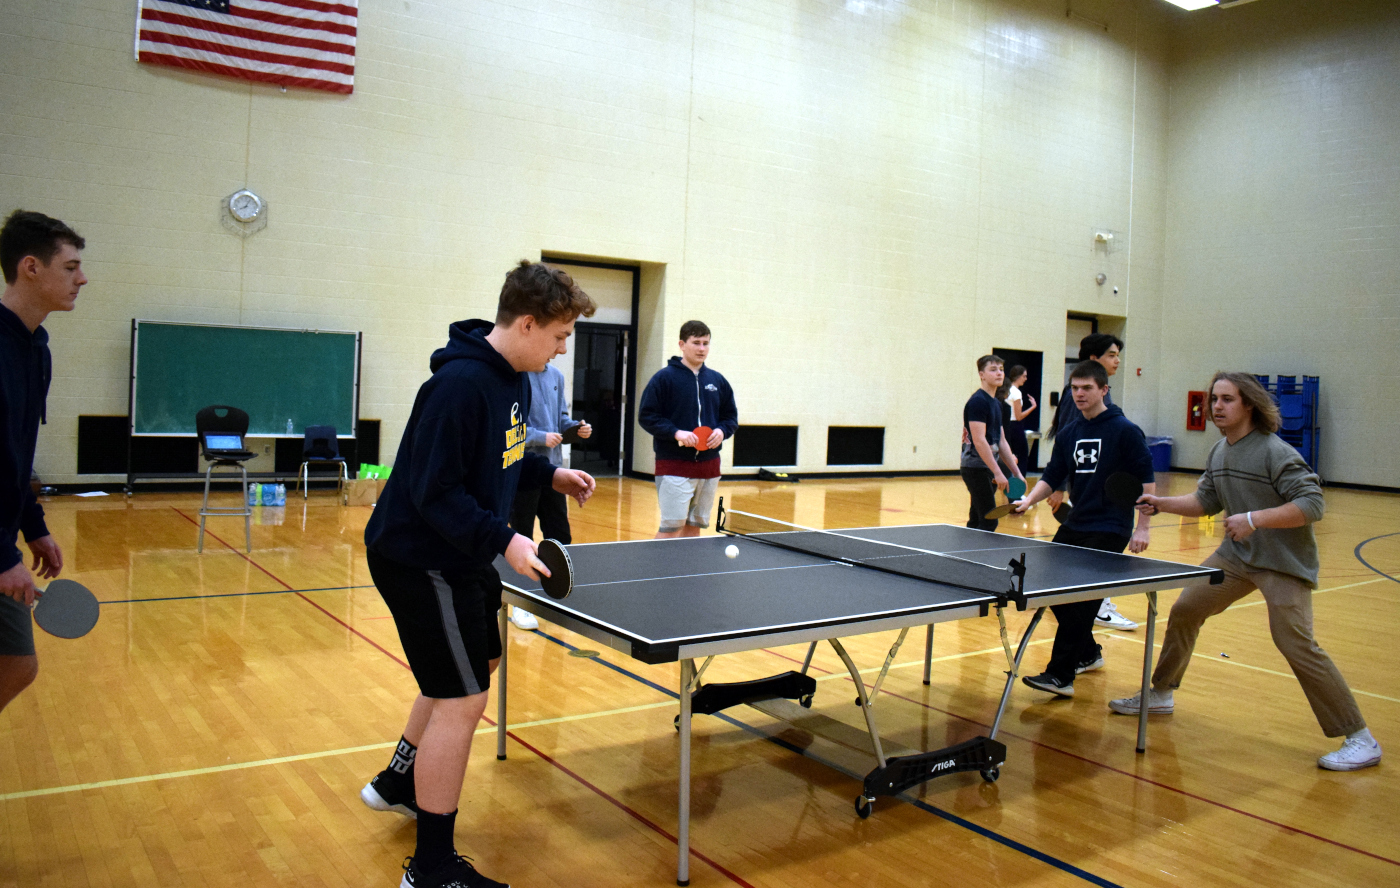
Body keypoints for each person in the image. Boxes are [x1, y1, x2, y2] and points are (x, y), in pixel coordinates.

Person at [358, 261, 598, 888]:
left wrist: (550, 476)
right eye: (559, 334)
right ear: (526, 322)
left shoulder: (514, 378)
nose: (563, 347)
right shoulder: (460, 386)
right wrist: (507, 539)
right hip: (420, 557)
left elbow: (502, 460)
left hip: (459, 554)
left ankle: (399, 780)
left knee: (473, 668)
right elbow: (433, 492)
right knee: (464, 695)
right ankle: (432, 866)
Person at [1112, 372, 1381, 771]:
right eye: (1213, 399)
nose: (1216, 406)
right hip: (1237, 558)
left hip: (1283, 563)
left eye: (1226, 399)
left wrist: (1255, 518)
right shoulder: (1220, 451)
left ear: (1249, 405)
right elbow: (1206, 501)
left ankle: (1360, 737)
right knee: (1186, 608)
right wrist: (1162, 503)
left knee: (1296, 644)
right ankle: (1161, 693)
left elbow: (1313, 504)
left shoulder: (1276, 453)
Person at [1011, 361, 1155, 696]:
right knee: (1050, 590)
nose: (1079, 394)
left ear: (1104, 390)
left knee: (1082, 601)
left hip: (1111, 526)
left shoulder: (1125, 430)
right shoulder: (1069, 432)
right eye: (1074, 388)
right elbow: (1053, 475)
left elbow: (1147, 481)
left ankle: (1061, 675)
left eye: (1087, 388)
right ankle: (1088, 652)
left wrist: (1143, 527)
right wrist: (1030, 500)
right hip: (1076, 523)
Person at [0, 210, 84, 714]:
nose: (82, 277)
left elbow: (16, 451)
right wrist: (1, 554)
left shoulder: (37, 349)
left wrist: (33, 525)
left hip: (6, 537)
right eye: (71, 266)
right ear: (31, 267)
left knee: (16, 664)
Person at [1048, 333, 1138, 631]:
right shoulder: (1083, 396)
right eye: (1112, 354)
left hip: (1106, 504)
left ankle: (1096, 612)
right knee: (1081, 568)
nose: (1118, 360)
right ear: (1095, 359)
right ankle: (1099, 609)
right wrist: (1059, 486)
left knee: (1094, 561)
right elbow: (1068, 439)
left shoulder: (1108, 405)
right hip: (1086, 496)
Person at [506, 362, 591, 630]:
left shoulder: (556, 376)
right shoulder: (516, 375)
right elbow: (510, 429)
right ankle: (520, 602)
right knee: (521, 538)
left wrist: (575, 428)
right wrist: (540, 437)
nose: (561, 347)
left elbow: (561, 419)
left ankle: (557, 593)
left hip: (553, 471)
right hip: (522, 469)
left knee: (559, 534)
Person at [638, 321, 738, 539]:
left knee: (694, 527)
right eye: (696, 343)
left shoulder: (717, 380)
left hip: (709, 467)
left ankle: (685, 573)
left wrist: (722, 431)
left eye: (706, 343)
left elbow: (730, 417)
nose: (702, 348)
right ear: (682, 344)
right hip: (674, 465)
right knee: (671, 528)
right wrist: (676, 432)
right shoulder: (664, 378)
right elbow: (647, 416)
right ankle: (655, 571)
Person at [960, 355, 1024, 532]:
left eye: (1001, 370)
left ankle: (964, 555)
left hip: (988, 467)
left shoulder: (996, 404)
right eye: (993, 369)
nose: (999, 373)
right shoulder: (978, 402)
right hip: (975, 468)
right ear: (982, 374)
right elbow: (979, 440)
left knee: (976, 520)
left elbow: (1001, 440)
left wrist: (1016, 472)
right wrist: (998, 471)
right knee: (989, 520)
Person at [1003, 365, 1036, 471]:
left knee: (1009, 455)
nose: (1026, 379)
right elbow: (1019, 416)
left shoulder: (1006, 390)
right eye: (1024, 376)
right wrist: (1033, 407)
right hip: (1015, 427)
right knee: (1022, 456)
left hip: (1006, 426)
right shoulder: (1016, 392)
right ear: (1018, 376)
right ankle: (1019, 483)